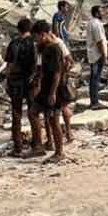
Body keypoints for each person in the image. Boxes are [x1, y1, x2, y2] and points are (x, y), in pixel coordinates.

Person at [31, 19, 71, 162]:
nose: (35, 41)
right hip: (46, 87)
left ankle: (59, 152)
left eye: (36, 37)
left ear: (42, 35)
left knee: (54, 120)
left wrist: (53, 93)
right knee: (33, 112)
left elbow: (57, 73)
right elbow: (43, 69)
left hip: (55, 88)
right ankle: (39, 146)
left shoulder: (54, 48)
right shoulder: (44, 48)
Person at [2, 18, 38, 157]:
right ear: (31, 29)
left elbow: (9, 66)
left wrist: (7, 81)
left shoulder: (14, 43)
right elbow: (36, 64)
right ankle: (36, 144)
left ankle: (17, 147)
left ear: (18, 29)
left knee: (16, 113)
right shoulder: (33, 44)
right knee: (33, 113)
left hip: (15, 82)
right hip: (30, 82)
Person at [86, 5, 108, 108]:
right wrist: (104, 56)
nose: (103, 13)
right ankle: (95, 102)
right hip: (97, 55)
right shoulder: (96, 24)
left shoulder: (92, 23)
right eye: (101, 11)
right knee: (95, 78)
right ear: (96, 13)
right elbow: (99, 42)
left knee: (94, 78)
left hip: (93, 54)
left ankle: (94, 101)